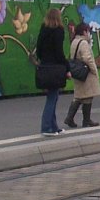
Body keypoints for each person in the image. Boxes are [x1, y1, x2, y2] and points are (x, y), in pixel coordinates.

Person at [34, 7, 67, 135]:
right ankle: (46, 127)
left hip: (45, 66)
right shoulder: (59, 31)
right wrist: (66, 66)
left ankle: (53, 126)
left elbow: (39, 48)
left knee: (53, 96)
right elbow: (59, 52)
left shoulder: (44, 29)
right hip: (55, 68)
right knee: (52, 97)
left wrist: (44, 61)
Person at [64, 23, 100, 128]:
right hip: (86, 73)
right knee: (87, 96)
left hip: (77, 72)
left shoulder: (74, 42)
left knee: (80, 96)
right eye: (88, 31)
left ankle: (71, 118)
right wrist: (94, 70)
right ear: (84, 32)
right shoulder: (84, 43)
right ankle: (85, 120)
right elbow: (87, 58)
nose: (89, 33)